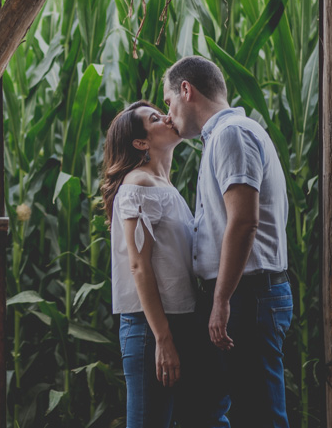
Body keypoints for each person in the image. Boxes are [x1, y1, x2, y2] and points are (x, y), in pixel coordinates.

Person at [162, 55, 292, 428]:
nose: (168, 116)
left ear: (187, 90)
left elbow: (244, 221)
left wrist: (220, 300)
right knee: (211, 411)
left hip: (246, 296)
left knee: (259, 416)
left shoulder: (232, 133)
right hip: (240, 294)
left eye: (169, 103)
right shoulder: (222, 136)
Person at [101, 100, 198, 428]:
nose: (168, 117)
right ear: (141, 143)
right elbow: (138, 266)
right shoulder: (138, 185)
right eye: (155, 118)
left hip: (175, 322)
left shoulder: (164, 187)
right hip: (149, 328)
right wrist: (163, 339)